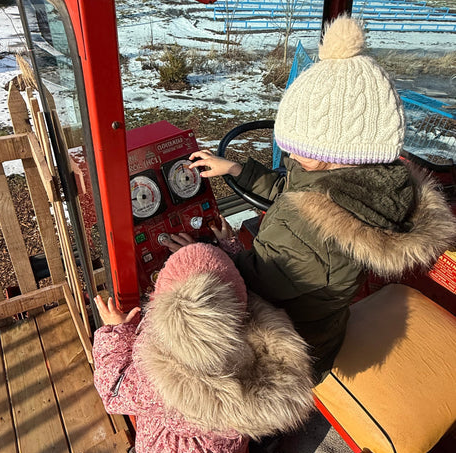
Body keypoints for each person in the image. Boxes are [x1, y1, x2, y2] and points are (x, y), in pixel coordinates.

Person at [162, 15, 456, 382]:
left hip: (291, 349)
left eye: (298, 147)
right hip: (323, 323)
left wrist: (205, 255)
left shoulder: (308, 224)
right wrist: (238, 170)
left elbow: (254, 285)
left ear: (336, 148)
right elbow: (295, 191)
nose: (290, 155)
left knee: (188, 355)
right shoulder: (361, 184)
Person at [92, 243, 314, 453]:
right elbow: (235, 286)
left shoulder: (159, 377)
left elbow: (114, 389)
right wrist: (227, 247)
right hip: (229, 442)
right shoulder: (257, 337)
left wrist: (116, 331)